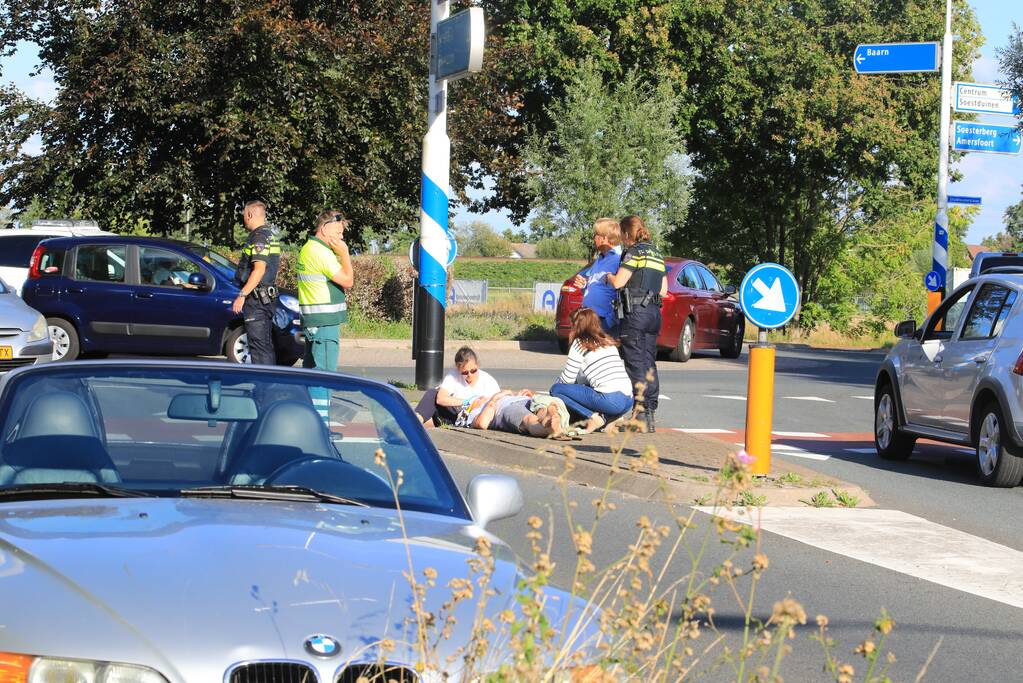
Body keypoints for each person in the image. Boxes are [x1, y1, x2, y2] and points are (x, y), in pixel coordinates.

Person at [606, 215, 667, 433]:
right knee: (649, 362)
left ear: (625, 233)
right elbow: (664, 290)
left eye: (622, 235)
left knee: (635, 363)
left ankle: (640, 416)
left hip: (636, 314)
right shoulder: (656, 253)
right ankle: (648, 412)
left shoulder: (634, 252)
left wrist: (608, 277)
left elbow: (619, 282)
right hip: (653, 313)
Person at [549, 307, 634, 434]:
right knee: (591, 389)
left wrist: (557, 383)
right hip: (628, 400)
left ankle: (593, 417)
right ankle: (611, 418)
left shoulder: (580, 344)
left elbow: (567, 379)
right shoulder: (607, 341)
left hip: (611, 400)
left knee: (556, 390)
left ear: (577, 325)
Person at [296, 210, 355, 374]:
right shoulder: (321, 252)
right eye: (338, 232)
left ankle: (312, 400)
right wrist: (345, 254)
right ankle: (322, 401)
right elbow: (348, 281)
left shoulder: (309, 248)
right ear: (324, 229)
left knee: (312, 372)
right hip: (324, 323)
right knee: (326, 375)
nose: (341, 237)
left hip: (313, 321)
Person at [232, 200, 282, 365]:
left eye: (244, 215)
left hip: (257, 300)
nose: (244, 219)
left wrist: (242, 294)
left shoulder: (259, 236)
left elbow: (259, 269)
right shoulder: (270, 234)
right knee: (265, 346)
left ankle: (263, 387)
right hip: (265, 298)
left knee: (259, 347)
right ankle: (267, 385)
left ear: (249, 214)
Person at [414, 346, 500, 428]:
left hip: (474, 418)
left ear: (477, 365)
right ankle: (414, 422)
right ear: (458, 370)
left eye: (473, 370)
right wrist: (468, 402)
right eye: (465, 373)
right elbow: (440, 399)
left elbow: (498, 404)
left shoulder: (488, 380)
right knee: (432, 393)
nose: (470, 375)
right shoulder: (453, 375)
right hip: (453, 416)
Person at [574, 218, 623, 335]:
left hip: (604, 322)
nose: (593, 238)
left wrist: (609, 322)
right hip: (589, 319)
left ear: (604, 238)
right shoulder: (600, 259)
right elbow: (598, 287)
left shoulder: (620, 259)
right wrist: (584, 286)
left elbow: (621, 291)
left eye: (595, 235)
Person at [469, 390, 563, 438]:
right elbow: (482, 424)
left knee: (538, 410)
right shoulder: (475, 412)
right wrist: (493, 399)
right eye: (477, 399)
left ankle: (548, 417)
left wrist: (520, 394)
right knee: (528, 419)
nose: (482, 398)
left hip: (524, 400)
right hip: (507, 408)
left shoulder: (491, 401)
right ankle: (549, 424)